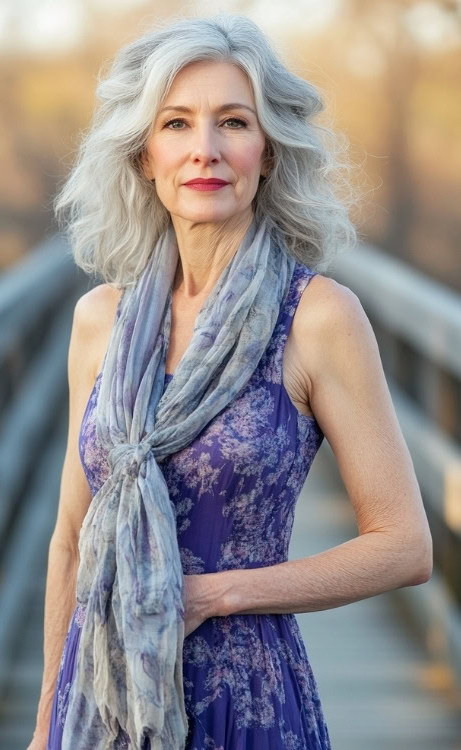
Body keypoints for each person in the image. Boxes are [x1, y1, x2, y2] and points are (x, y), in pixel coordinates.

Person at [28, 13, 433, 750]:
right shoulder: (100, 321)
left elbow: (404, 544)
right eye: (177, 124)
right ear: (144, 156)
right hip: (100, 699)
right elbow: (69, 538)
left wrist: (216, 594)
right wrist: (45, 720)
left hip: (243, 699)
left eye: (233, 123)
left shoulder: (317, 317)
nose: (205, 151)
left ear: (269, 151)